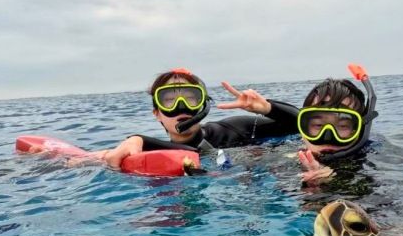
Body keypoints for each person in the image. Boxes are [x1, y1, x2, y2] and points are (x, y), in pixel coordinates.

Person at [99, 68, 299, 169]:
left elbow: (303, 125)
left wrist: (267, 108)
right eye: (168, 100)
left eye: (191, 99)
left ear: (203, 105)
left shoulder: (235, 128)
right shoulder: (152, 154)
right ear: (157, 113)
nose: (181, 107)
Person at [296, 64, 379, 185]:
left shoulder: (374, 159)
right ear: (303, 131)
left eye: (343, 126)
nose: (328, 137)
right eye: (318, 125)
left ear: (360, 130)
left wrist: (333, 185)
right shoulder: (281, 159)